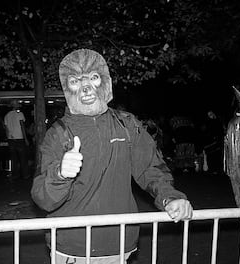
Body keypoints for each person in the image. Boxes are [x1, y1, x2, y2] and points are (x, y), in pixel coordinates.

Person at [31, 49, 193, 264]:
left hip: (118, 243)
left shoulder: (127, 124)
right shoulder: (58, 133)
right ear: (66, 87)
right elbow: (43, 199)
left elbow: (150, 169)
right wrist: (59, 174)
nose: (86, 88)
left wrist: (169, 197)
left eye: (93, 78)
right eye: (75, 81)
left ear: (105, 81)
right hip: (72, 246)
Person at [4, 100, 30, 180]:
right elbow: (22, 126)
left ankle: (15, 174)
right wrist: (26, 138)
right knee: (23, 158)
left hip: (11, 139)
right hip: (19, 138)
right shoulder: (20, 114)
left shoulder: (7, 115)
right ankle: (25, 174)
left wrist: (8, 137)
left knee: (13, 158)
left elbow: (6, 129)